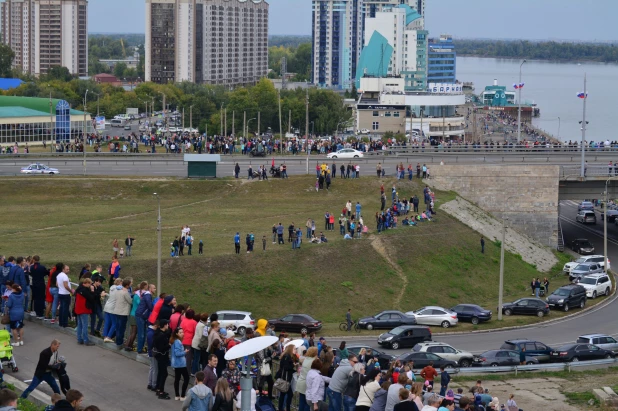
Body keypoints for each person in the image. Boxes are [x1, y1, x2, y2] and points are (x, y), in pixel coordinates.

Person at [74, 278, 96, 346]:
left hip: (78, 309)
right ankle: (86, 340)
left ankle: (79, 339)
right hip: (84, 309)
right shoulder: (85, 290)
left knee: (80, 325)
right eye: (89, 284)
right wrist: (92, 291)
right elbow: (91, 298)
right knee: (85, 325)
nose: (90, 285)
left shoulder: (79, 289)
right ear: (86, 283)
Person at [154, 319, 172, 399]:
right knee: (164, 373)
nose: (168, 326)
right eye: (167, 324)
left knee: (160, 372)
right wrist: (169, 345)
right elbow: (162, 348)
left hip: (158, 356)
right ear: (164, 325)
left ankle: (158, 388)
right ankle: (161, 391)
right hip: (162, 356)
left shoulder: (158, 333)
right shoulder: (162, 335)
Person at [171, 327, 190, 401]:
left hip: (176, 363)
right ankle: (182, 395)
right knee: (186, 378)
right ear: (176, 334)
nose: (182, 333)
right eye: (180, 332)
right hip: (180, 363)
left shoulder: (174, 341)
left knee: (177, 378)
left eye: (182, 332)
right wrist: (185, 352)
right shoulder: (178, 342)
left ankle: (177, 395)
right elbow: (177, 353)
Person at [278, 344, 297, 411]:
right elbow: (286, 367)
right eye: (294, 349)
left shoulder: (287, 356)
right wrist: (293, 366)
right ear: (291, 349)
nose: (295, 350)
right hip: (285, 379)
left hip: (285, 378)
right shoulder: (287, 357)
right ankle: (286, 408)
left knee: (283, 395)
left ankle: (281, 408)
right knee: (289, 394)